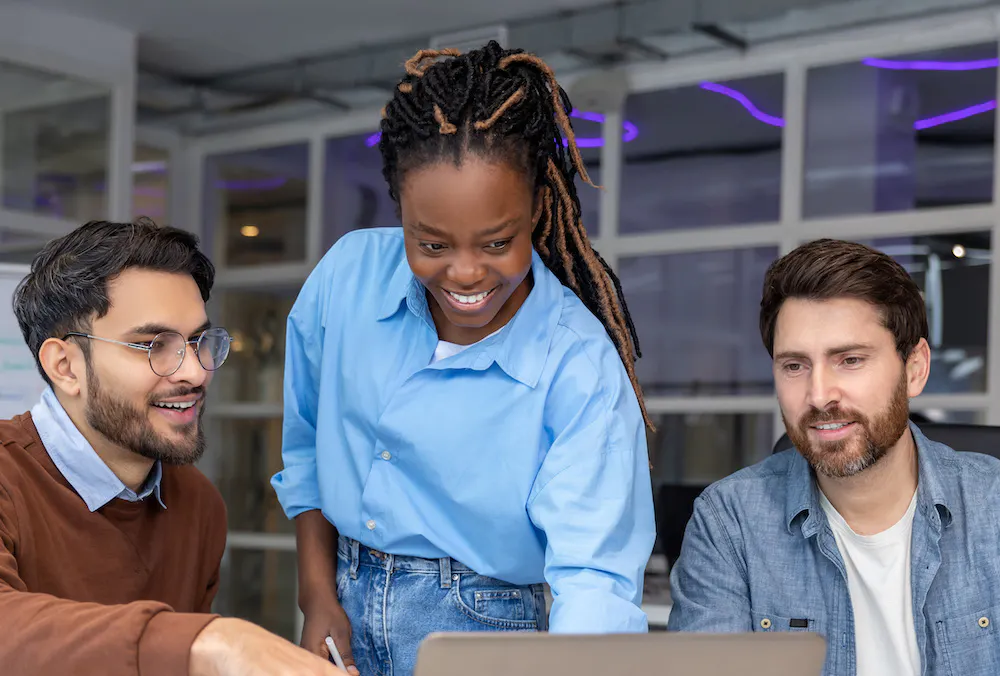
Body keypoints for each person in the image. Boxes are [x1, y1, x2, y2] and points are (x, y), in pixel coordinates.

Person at [272, 41, 656, 676]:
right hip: (338, 600)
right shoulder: (344, 279)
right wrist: (316, 594)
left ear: (536, 208)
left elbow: (594, 580)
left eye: (497, 241)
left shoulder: (578, 365)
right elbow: (307, 448)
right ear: (399, 207)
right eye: (432, 243)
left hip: (486, 624)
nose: (467, 272)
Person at [0, 218, 345, 676]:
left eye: (200, 341)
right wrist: (210, 640)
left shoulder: (198, 503)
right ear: (65, 366)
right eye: (152, 345)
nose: (196, 372)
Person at [667, 239, 1000, 675]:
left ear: (915, 368)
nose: (819, 395)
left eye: (850, 360)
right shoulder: (730, 523)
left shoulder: (993, 507)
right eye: (794, 366)